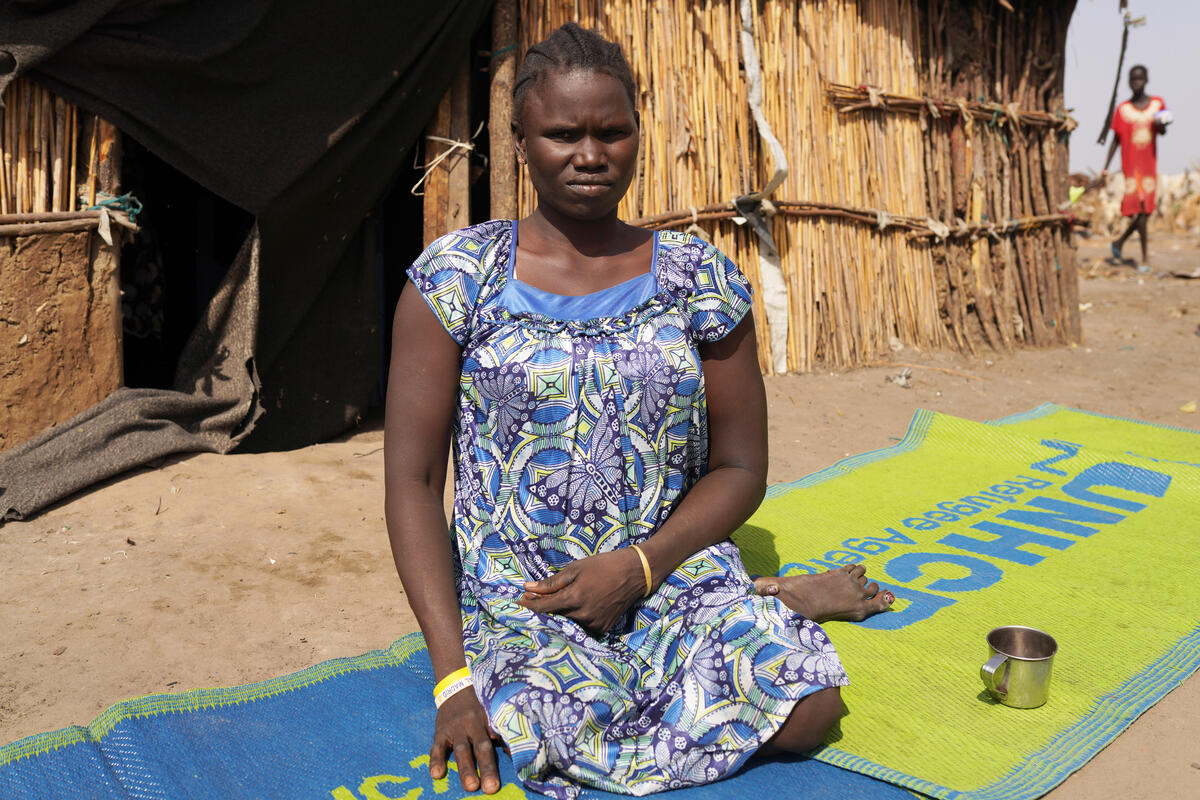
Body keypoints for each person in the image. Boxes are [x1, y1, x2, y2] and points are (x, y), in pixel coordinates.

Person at [384, 23, 892, 799]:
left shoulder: (698, 279)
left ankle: (768, 596)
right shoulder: (457, 280)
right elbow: (413, 485)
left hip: (669, 574)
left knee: (810, 711)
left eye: (612, 132)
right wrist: (452, 680)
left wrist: (642, 566)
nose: (590, 154)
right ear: (521, 142)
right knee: (568, 731)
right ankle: (780, 594)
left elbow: (741, 467)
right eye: (563, 134)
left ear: (636, 136)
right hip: (529, 597)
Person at [1103, 64, 1170, 268]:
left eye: (1140, 79)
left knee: (1146, 212)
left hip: (1149, 165)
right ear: (1129, 82)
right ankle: (1144, 258)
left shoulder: (1157, 105)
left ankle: (1119, 242)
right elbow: (1115, 140)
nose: (1137, 83)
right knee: (1139, 212)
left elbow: (1163, 132)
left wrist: (1162, 125)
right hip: (1131, 167)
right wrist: (1105, 167)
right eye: (1133, 80)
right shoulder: (1122, 110)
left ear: (1146, 80)